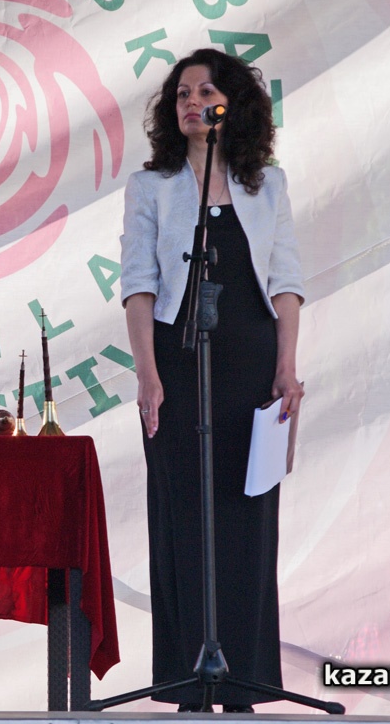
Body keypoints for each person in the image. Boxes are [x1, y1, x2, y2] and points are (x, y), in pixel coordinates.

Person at [120, 48, 305, 712]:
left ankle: (244, 681)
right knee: (183, 514)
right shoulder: (152, 186)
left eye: (204, 91)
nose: (192, 102)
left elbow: (285, 280)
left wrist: (286, 368)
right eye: (182, 95)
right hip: (177, 360)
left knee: (247, 515)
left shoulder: (268, 185)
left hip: (251, 361)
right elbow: (138, 283)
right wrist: (148, 374)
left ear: (233, 103)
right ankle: (188, 681)